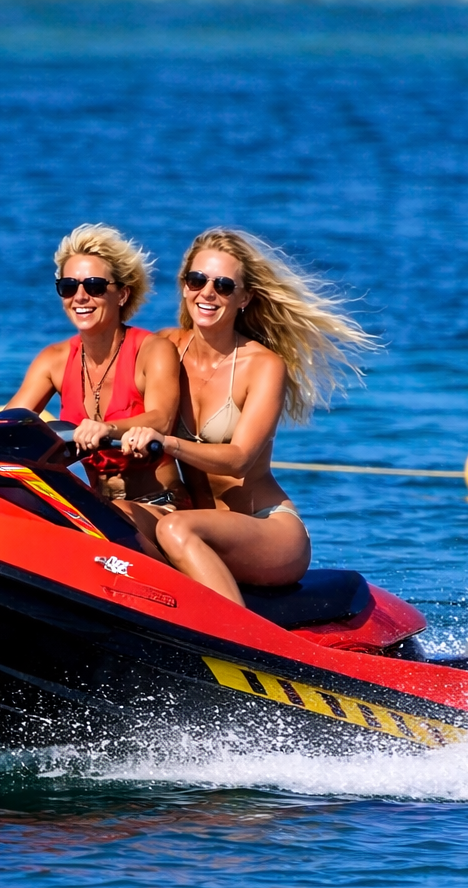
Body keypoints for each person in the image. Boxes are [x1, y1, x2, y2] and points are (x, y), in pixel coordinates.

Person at [120, 228, 376, 605]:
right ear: (184, 286)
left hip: (266, 527)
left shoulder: (263, 366)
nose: (207, 292)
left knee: (176, 527)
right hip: (195, 524)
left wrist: (169, 443)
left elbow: (240, 459)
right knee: (109, 516)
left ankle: (242, 646)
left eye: (223, 285)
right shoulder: (164, 346)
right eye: (197, 280)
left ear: (244, 298)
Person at [6, 224, 185, 506]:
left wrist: (108, 429)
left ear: (122, 294)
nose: (80, 297)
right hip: (101, 509)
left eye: (94, 286)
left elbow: (160, 419)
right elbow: (10, 422)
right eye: (68, 287)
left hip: (160, 503)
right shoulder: (53, 360)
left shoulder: (154, 350)